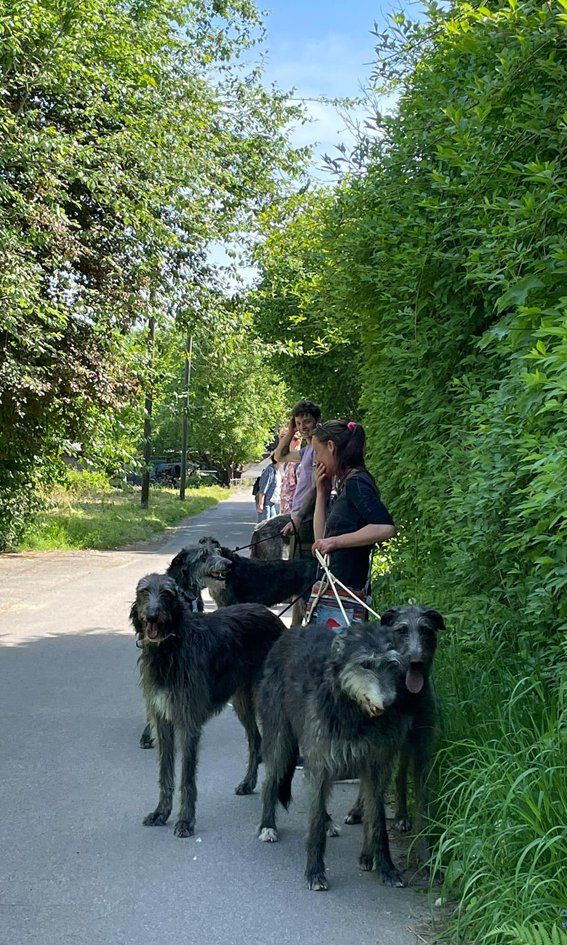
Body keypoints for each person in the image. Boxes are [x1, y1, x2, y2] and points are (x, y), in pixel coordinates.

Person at [306, 419, 396, 629]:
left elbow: (385, 528)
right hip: (333, 590)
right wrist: (321, 493)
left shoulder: (357, 482)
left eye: (317, 453)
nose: (315, 461)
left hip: (346, 593)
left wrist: (335, 542)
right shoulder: (346, 484)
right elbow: (320, 541)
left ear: (331, 446)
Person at [274, 400, 321, 558]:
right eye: (298, 423)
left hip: (308, 518)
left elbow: (316, 488)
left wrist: (298, 518)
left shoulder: (318, 450)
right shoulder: (307, 450)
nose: (302, 427)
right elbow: (279, 456)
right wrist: (290, 432)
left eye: (307, 422)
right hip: (299, 517)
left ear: (317, 421)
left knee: (300, 566)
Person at [256, 454, 282, 522]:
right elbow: (263, 488)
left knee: (272, 524)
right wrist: (261, 504)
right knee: (263, 524)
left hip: (271, 502)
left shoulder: (277, 470)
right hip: (265, 502)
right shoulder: (270, 470)